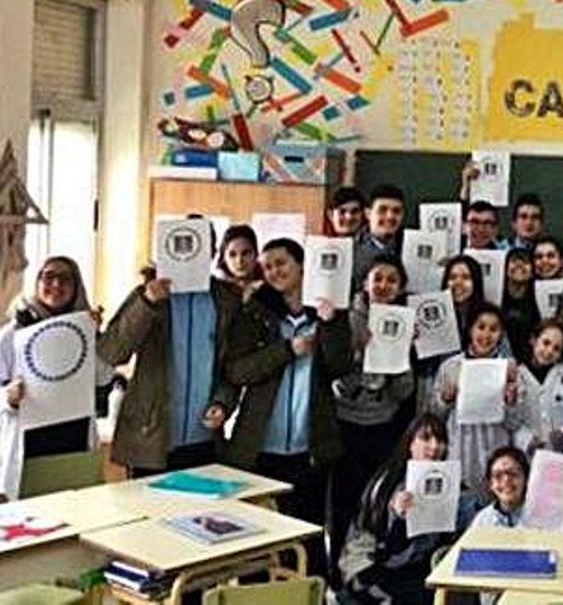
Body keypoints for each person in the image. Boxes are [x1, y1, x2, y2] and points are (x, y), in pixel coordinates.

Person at [216, 238, 352, 577]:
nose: (274, 271)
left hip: (310, 450)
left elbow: (340, 365)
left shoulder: (329, 312)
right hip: (260, 449)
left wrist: (332, 322)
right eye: (269, 266)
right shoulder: (257, 313)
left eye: (282, 263)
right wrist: (287, 351)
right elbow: (237, 370)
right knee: (256, 543)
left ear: (302, 266)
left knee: (307, 539)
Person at [102, 221, 252, 477]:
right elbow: (113, 351)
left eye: (198, 247)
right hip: (151, 439)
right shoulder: (148, 296)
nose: (188, 254)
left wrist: (223, 403)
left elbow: (233, 368)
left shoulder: (227, 300)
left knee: (203, 516)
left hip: (204, 440)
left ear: (213, 252)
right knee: (149, 514)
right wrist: (146, 303)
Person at [328, 254, 415, 585]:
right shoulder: (347, 318)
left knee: (375, 503)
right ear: (364, 282)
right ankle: (335, 575)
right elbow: (336, 383)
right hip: (346, 424)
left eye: (392, 280)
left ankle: (365, 574)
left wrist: (402, 354)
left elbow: (403, 392)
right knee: (343, 502)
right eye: (378, 278)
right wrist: (359, 353)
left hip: (384, 426)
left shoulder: (403, 320)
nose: (384, 286)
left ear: (401, 287)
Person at [1, 256, 110, 499]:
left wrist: (95, 338)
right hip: (29, 449)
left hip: (74, 443)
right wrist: (8, 397)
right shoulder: (11, 336)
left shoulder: (86, 330)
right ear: (36, 282)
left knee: (77, 515)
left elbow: (103, 378)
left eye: (65, 279)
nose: (57, 285)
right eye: (49, 276)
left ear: (76, 286)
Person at [338, 414, 451, 605]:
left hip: (416, 563)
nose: (434, 446)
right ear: (410, 444)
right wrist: (398, 517)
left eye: (440, 440)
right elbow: (389, 550)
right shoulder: (388, 483)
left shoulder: (448, 481)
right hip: (372, 560)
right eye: (425, 438)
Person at [429, 303, 530, 495]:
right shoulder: (450, 367)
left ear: (501, 334)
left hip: (495, 446)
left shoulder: (509, 368)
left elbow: (515, 423)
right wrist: (445, 399)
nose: (486, 335)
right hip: (460, 448)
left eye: (494, 329)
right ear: (470, 330)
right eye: (481, 327)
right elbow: (435, 416)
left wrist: (510, 402)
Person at [517, 319, 563, 451]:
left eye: (556, 348)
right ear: (533, 340)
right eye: (546, 343)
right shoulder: (518, 376)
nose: (549, 351)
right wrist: (526, 440)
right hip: (529, 452)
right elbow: (511, 421)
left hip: (561, 450)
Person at [500, 248, 538, 365]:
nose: (519, 265)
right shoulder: (495, 296)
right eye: (514, 261)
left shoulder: (539, 297)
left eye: (525, 262)